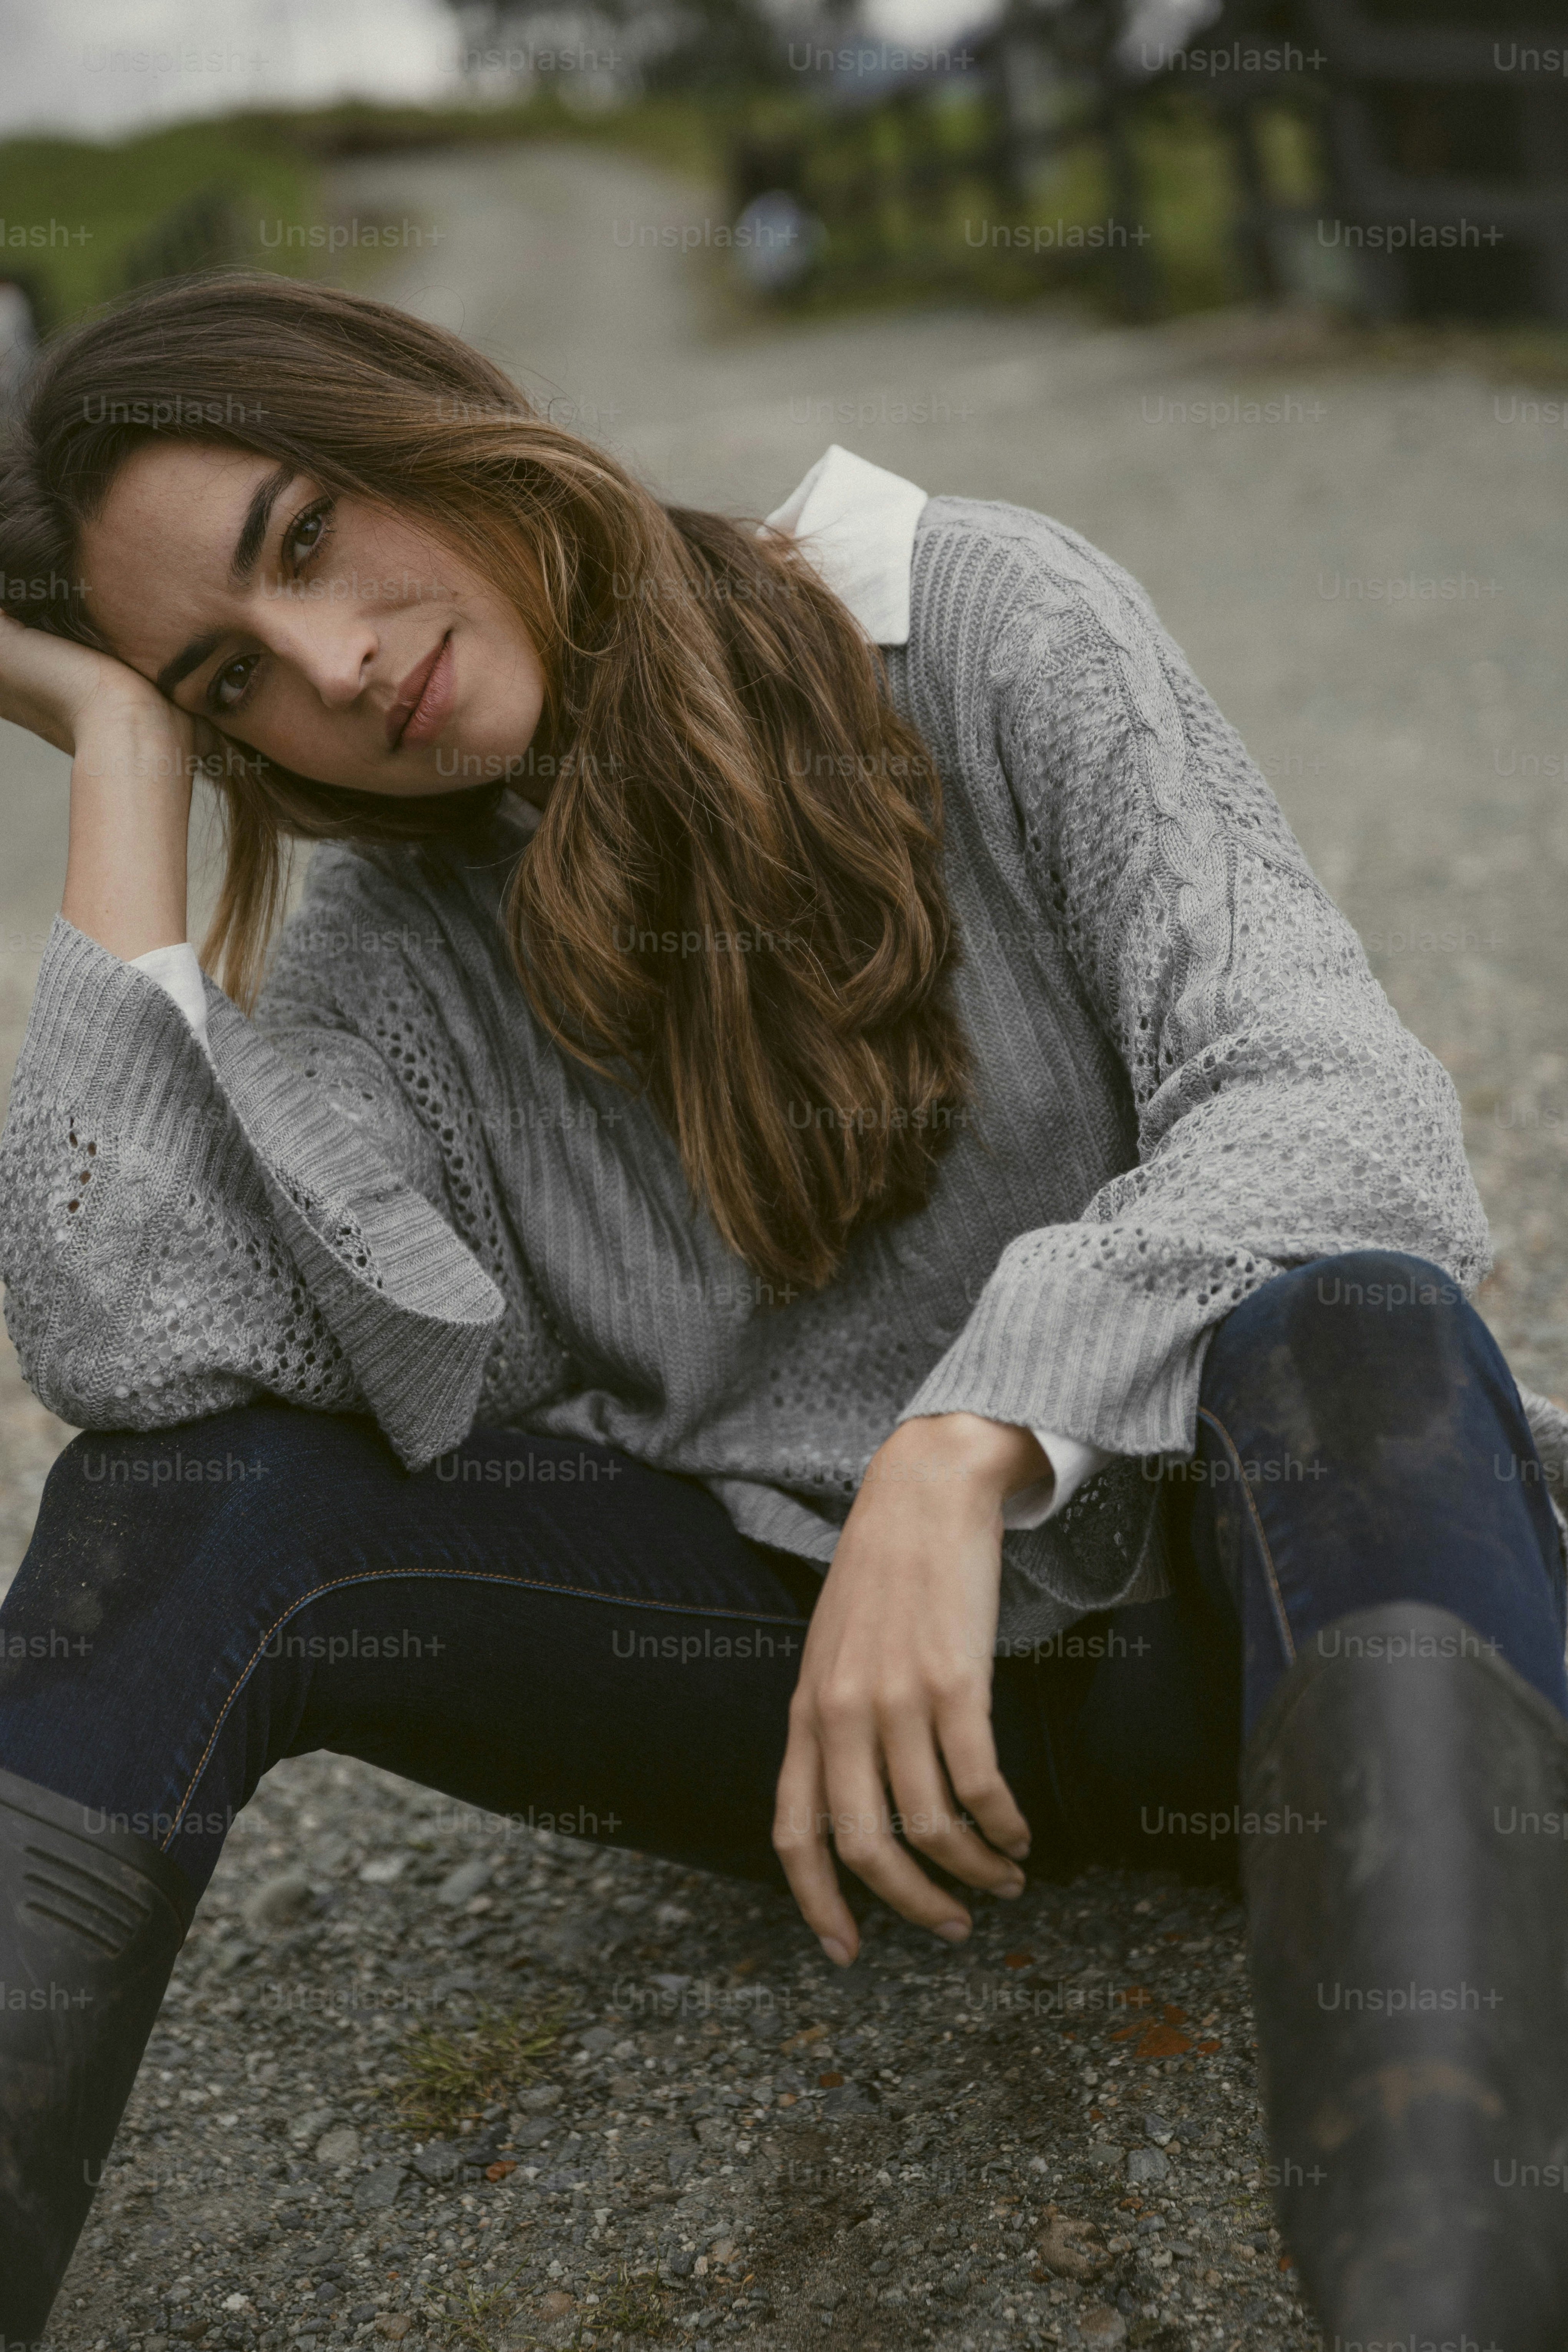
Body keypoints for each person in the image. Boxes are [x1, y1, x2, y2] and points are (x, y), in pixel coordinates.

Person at [0, 272, 1564, 2345]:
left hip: (1238, 1625)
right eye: (228, 681)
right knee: (185, 1502)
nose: (334, 666)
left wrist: (967, 1436)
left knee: (1353, 1323)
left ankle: (1456, 2304)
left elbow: (1336, 1103)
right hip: (809, 1707)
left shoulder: (970, 619)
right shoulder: (386, 961)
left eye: (303, 539)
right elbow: (142, 1349)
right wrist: (122, 764)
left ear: (421, 426)